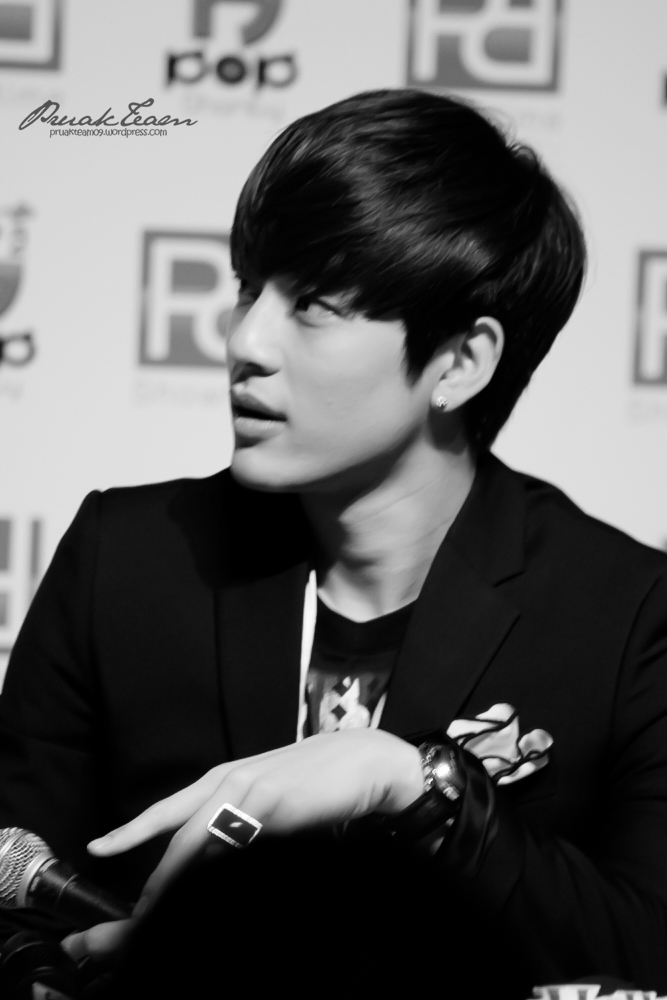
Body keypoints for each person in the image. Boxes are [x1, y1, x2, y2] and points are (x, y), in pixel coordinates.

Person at [1, 89, 666, 997]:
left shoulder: (627, 616)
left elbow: (643, 945)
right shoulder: (125, 561)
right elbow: (12, 882)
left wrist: (418, 784)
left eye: (312, 304)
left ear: (460, 361)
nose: (244, 340)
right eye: (248, 289)